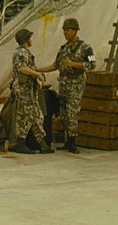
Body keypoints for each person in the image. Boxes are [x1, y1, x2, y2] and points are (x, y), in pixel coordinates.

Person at [38, 18, 96, 154]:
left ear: (75, 31)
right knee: (63, 114)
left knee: (72, 113)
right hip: (63, 86)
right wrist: (38, 70)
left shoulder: (86, 48)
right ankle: (68, 140)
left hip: (75, 86)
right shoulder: (63, 49)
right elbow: (56, 65)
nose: (65, 32)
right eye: (64, 30)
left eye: (68, 30)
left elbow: (92, 64)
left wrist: (74, 64)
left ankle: (73, 141)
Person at [10, 29, 54, 154]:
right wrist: (37, 74)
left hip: (28, 89)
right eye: (30, 37)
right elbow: (21, 68)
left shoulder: (24, 52)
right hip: (24, 90)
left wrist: (37, 79)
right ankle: (20, 143)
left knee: (35, 116)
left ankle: (42, 144)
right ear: (26, 40)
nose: (31, 39)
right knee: (26, 116)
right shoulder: (21, 52)